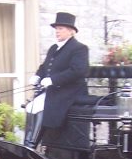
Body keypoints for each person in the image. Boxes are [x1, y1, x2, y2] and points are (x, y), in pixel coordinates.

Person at [24, 12, 90, 148]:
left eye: (61, 29)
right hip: (54, 90)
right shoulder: (54, 48)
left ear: (71, 31)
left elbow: (78, 70)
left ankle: (32, 145)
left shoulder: (79, 48)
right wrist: (38, 76)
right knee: (31, 106)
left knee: (39, 107)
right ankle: (29, 143)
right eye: (56, 29)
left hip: (69, 91)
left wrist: (53, 80)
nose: (57, 32)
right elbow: (45, 66)